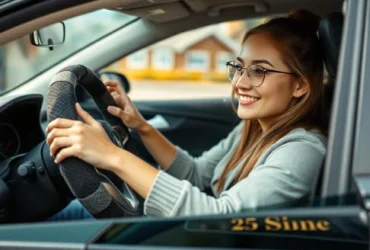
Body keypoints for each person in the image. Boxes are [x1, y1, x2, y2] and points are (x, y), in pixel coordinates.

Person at [46, 9, 327, 220]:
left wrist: (112, 155)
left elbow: (221, 217)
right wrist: (141, 126)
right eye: (239, 67)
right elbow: (197, 174)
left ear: (301, 85)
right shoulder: (253, 128)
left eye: (260, 71)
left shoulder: (302, 151)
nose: (240, 82)